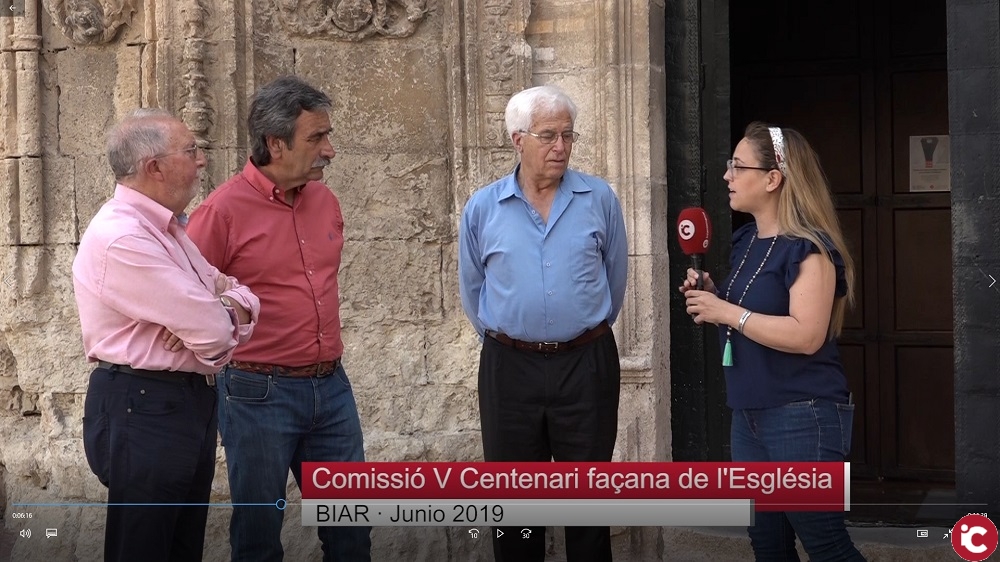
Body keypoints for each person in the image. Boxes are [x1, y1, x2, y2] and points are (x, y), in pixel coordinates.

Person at [186, 76, 371, 561]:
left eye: (328, 135)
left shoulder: (326, 202)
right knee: (259, 536)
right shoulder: (221, 212)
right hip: (257, 392)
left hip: (332, 387)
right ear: (275, 143)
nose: (329, 150)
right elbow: (188, 300)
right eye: (316, 138)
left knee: (352, 530)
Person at [72, 108, 260, 562]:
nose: (202, 160)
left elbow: (239, 296)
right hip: (145, 404)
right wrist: (216, 313)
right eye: (190, 150)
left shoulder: (167, 229)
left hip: (178, 402)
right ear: (154, 167)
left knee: (180, 547)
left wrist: (222, 306)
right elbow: (214, 332)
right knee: (143, 547)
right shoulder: (124, 237)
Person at [681, 121, 866, 561]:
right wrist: (713, 294)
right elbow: (756, 308)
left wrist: (726, 312)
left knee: (826, 545)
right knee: (768, 545)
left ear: (772, 179)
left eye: (737, 166)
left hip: (803, 415)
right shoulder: (747, 241)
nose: (726, 175)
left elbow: (806, 335)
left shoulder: (810, 248)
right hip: (749, 415)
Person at [458, 85, 628, 562]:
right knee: (515, 508)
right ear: (518, 139)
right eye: (548, 135)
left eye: (568, 135)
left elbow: (614, 279)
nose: (561, 147)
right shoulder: (483, 208)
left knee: (588, 503)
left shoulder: (599, 198)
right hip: (510, 368)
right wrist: (515, 338)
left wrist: (580, 331)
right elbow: (473, 290)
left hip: (586, 364)